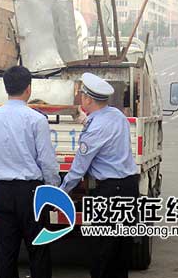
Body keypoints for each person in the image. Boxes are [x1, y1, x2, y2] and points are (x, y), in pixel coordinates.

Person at [0, 65, 60, 278]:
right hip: (30, 192)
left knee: (6, 252)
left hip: (1, 191)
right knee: (38, 249)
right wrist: (52, 189)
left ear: (6, 88)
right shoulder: (36, 119)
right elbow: (47, 161)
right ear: (29, 89)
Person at [60, 72, 138, 278]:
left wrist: (60, 193)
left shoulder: (95, 130)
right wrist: (86, 122)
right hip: (129, 188)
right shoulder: (117, 116)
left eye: (82, 96)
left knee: (102, 251)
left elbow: (79, 168)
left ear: (87, 99)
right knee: (121, 250)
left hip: (110, 193)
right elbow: (105, 134)